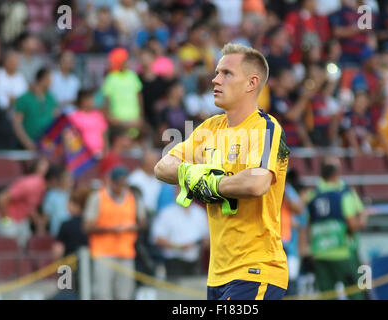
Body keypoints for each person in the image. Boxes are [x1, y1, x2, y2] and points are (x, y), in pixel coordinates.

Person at [155, 43, 290, 300]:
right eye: (217, 72)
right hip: (218, 273)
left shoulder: (265, 127)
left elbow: (256, 184)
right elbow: (162, 167)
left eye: (227, 73)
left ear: (252, 83)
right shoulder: (210, 127)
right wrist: (190, 173)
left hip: (256, 269)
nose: (215, 80)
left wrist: (208, 183)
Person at [305, 156, 368, 300]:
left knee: (327, 296)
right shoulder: (344, 194)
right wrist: (363, 220)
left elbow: (307, 224)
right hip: (343, 253)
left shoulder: (312, 195)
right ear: (336, 172)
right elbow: (352, 225)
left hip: (320, 253)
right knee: (356, 293)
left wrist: (309, 249)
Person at [83, 165, 146, 300]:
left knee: (125, 295)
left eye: (124, 184)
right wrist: (111, 229)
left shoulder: (133, 197)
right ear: (111, 182)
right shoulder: (98, 197)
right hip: (103, 254)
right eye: (118, 183)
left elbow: (143, 223)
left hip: (126, 252)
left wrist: (132, 227)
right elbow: (87, 227)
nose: (121, 187)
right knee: (103, 294)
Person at [151, 186, 209, 279]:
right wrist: (178, 246)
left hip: (195, 262)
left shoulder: (199, 213)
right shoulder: (167, 213)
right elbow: (157, 238)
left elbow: (207, 238)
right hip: (174, 262)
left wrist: (200, 243)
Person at [0, 158, 50, 247]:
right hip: (8, 219)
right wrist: (6, 220)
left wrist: (39, 225)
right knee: (8, 248)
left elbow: (30, 206)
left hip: (22, 221)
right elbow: (1, 198)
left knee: (25, 249)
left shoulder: (41, 186)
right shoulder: (29, 183)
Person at [12, 67, 57, 151]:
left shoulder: (51, 98)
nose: (52, 82)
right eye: (50, 79)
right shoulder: (24, 98)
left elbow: (55, 119)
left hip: (47, 146)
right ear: (43, 79)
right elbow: (17, 123)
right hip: (28, 146)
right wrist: (27, 143)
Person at [42, 165, 73, 237]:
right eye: (67, 178)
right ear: (61, 180)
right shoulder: (51, 195)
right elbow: (46, 215)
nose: (70, 181)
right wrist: (42, 230)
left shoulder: (72, 195)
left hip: (71, 230)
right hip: (57, 231)